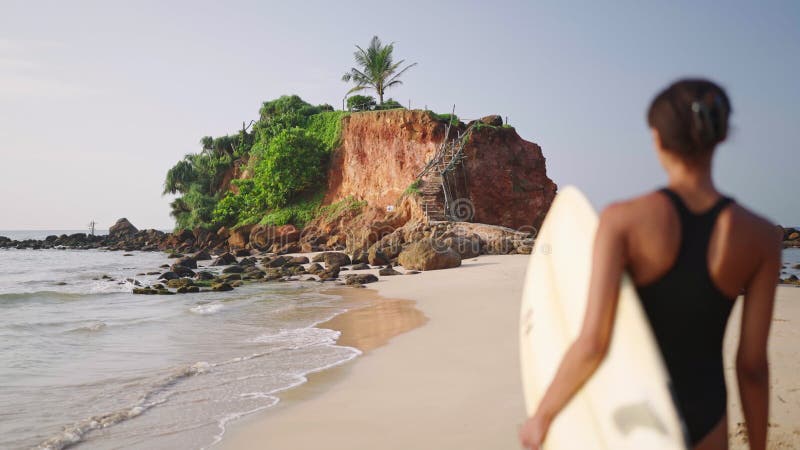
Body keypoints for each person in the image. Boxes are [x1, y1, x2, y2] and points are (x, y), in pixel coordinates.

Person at [519, 79, 780, 450]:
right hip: (710, 420)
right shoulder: (762, 237)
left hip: (635, 419)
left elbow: (593, 342)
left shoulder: (622, 221)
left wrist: (541, 418)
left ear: (657, 140)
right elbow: (752, 366)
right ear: (720, 138)